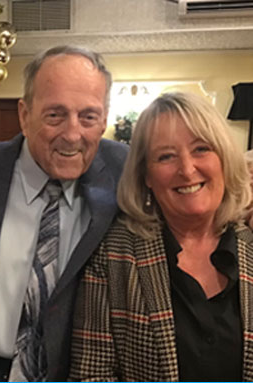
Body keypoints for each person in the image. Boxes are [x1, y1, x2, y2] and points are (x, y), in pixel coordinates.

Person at [0, 45, 128, 381]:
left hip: (74, 374)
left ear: (104, 119)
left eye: (88, 116)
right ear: (24, 115)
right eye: (55, 115)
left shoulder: (125, 173)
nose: (72, 134)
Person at [69, 92, 253, 380]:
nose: (187, 169)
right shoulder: (114, 254)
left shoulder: (250, 244)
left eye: (201, 149)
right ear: (146, 175)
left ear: (225, 159)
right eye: (166, 156)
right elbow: (91, 375)